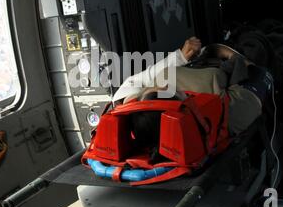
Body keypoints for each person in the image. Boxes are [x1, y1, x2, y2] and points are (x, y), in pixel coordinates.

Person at [112, 37, 273, 146]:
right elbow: (261, 75)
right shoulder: (230, 111)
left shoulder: (141, 116)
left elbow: (134, 86)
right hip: (223, 62)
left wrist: (181, 57)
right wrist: (221, 50)